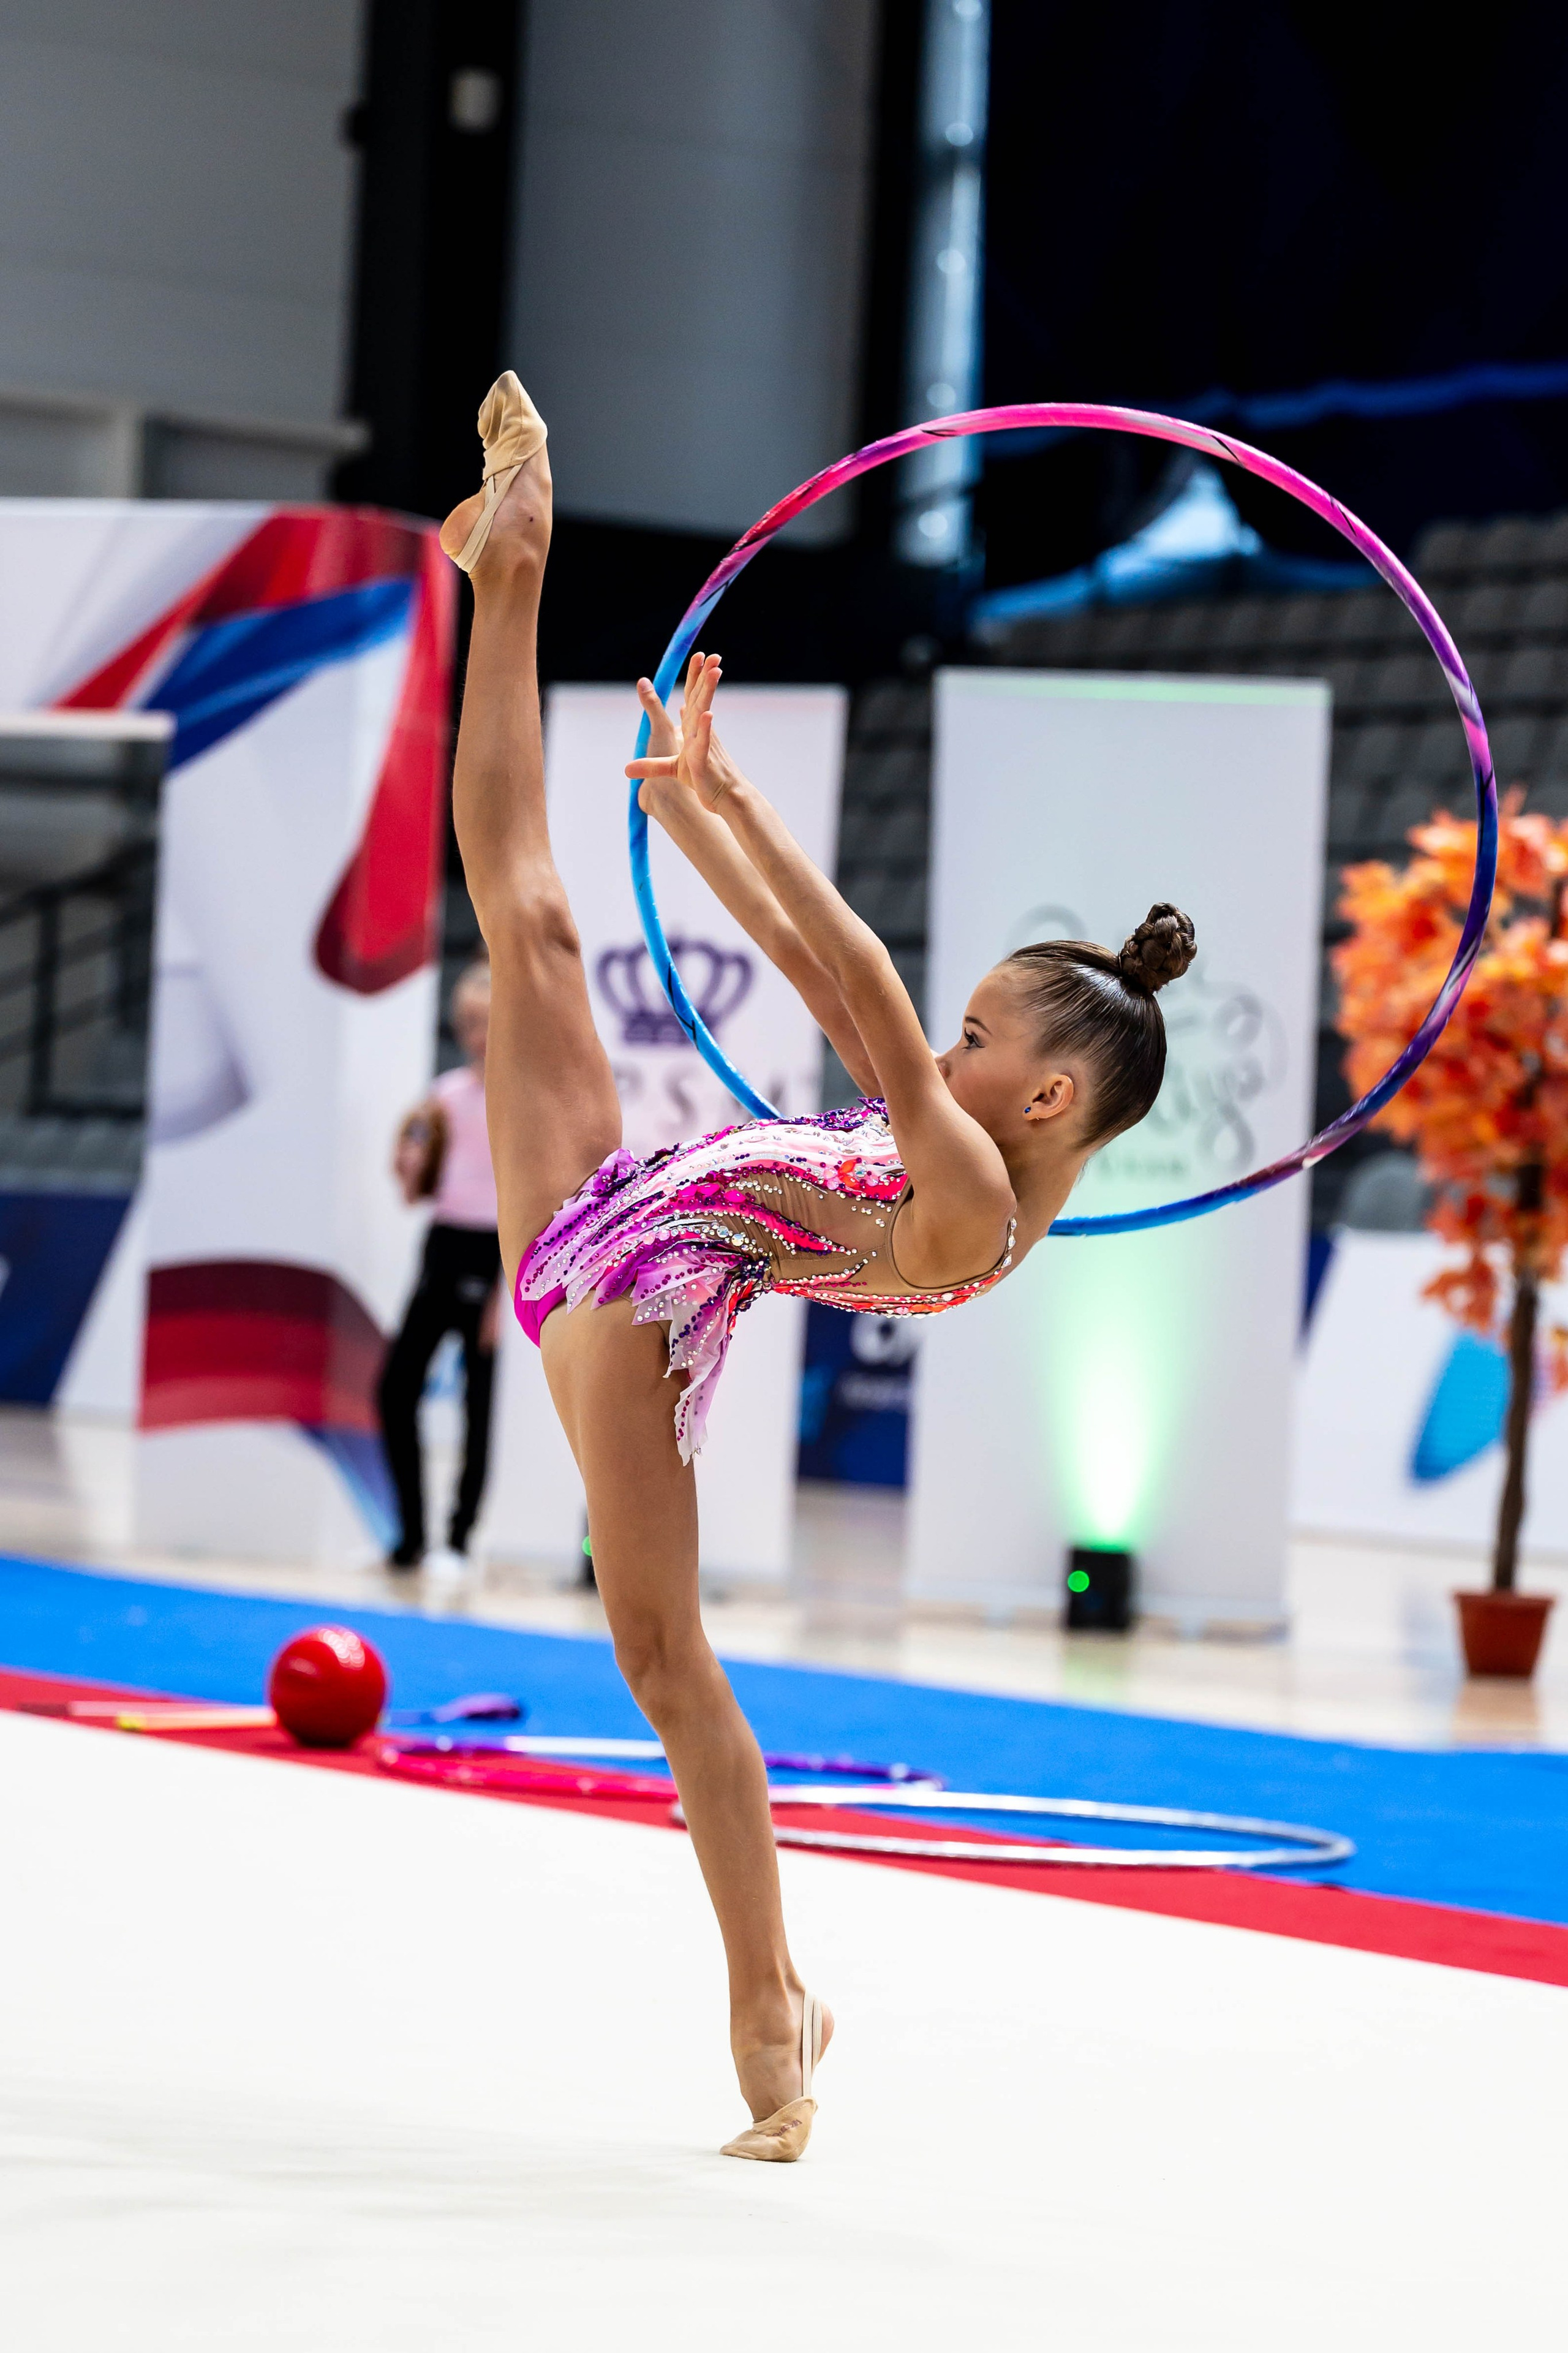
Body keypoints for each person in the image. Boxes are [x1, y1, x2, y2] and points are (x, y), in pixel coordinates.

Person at [439, 371, 1197, 2162]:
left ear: (1050, 1089)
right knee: (527, 908)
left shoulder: (967, 1199)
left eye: (975, 1027)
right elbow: (826, 970)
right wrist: (698, 812)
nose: (941, 1041)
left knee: (663, 1656)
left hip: (641, 1302)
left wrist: (736, 807)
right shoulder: (963, 1145)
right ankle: (509, 570)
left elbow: (844, 982)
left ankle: (769, 1994)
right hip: (605, 1230)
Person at [378, 961, 501, 1574]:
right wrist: (407, 1164)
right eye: (467, 1023)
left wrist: (509, 1293)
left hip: (498, 1253)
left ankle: (457, 1540)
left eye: (486, 1022)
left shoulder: (522, 1098)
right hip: (444, 1245)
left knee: (481, 1405)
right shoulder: (446, 1094)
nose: (475, 1034)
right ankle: (410, 1537)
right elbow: (418, 1187)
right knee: (395, 1389)